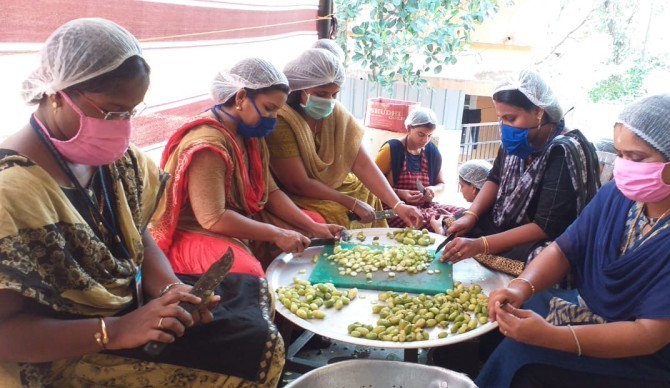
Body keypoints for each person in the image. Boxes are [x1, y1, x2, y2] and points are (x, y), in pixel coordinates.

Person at [0, 18, 283, 386]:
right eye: (112, 112)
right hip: (62, 352)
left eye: (131, 112)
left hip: (126, 309)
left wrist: (168, 289)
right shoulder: (11, 193)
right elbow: (6, 333)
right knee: (256, 355)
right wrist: (115, 331)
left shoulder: (117, 160)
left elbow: (138, 237)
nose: (123, 126)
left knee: (253, 300)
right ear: (57, 94)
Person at [477, 93, 670, 387]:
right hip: (605, 315)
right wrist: (521, 287)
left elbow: (649, 335)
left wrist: (551, 337)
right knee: (508, 318)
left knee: (525, 360)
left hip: (667, 360)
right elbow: (565, 248)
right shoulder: (620, 196)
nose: (624, 166)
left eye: (637, 158)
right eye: (620, 154)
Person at [151, 57, 344, 273]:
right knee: (246, 270)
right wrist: (276, 233)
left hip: (241, 215)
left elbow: (270, 192)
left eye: (276, 112)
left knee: (312, 224)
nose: (272, 118)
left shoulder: (250, 133)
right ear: (241, 96)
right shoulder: (207, 145)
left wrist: (314, 227)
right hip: (197, 229)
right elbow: (213, 218)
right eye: (268, 108)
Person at [441, 70, 600, 279]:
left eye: (511, 118)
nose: (505, 126)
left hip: (544, 234)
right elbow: (495, 178)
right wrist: (472, 215)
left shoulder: (563, 151)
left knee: (540, 257)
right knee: (458, 223)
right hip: (509, 222)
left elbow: (546, 226)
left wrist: (482, 244)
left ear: (538, 111)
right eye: (501, 119)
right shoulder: (516, 139)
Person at [267, 48, 422, 228]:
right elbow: (298, 184)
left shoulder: (336, 114)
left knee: (367, 194)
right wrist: (350, 202)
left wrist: (398, 205)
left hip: (337, 186)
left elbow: (362, 163)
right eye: (321, 94)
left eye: (334, 94)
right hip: (300, 193)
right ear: (300, 89)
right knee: (340, 214)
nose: (329, 100)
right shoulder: (281, 120)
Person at [374, 107, 464, 231]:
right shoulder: (391, 150)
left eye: (429, 136)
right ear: (409, 128)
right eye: (421, 135)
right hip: (393, 210)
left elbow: (441, 184)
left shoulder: (432, 152)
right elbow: (371, 185)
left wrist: (432, 190)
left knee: (463, 215)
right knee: (442, 222)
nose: (425, 140)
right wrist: (400, 193)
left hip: (424, 207)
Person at [431, 159, 492, 235]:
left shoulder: (479, 217)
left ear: (474, 188)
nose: (461, 190)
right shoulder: (489, 209)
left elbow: (459, 243)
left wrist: (439, 229)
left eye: (462, 186)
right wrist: (455, 216)